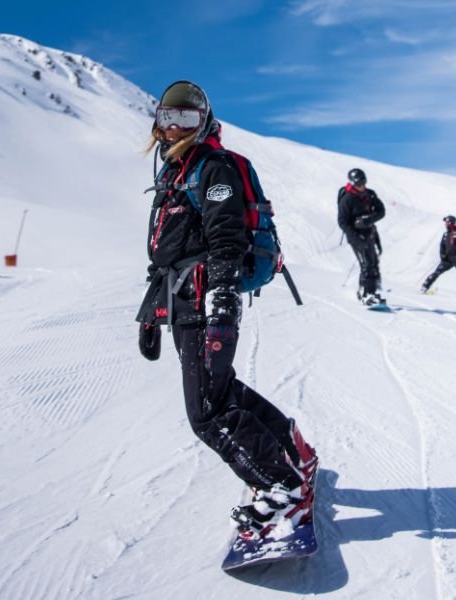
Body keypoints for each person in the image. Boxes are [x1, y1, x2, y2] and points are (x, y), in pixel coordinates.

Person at [135, 80, 317, 540]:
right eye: (168, 118)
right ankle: (292, 449)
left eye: (186, 119)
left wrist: (220, 305)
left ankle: (283, 487)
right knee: (221, 390)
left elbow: (226, 241)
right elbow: (167, 254)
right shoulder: (176, 170)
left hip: (205, 301)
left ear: (203, 122)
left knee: (206, 411)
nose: (175, 128)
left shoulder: (212, 168)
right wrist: (151, 314)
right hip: (182, 300)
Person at [337, 168, 386, 306]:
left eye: (364, 182)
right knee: (366, 264)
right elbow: (342, 222)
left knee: (373, 263)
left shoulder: (370, 195)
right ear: (352, 183)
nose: (362, 185)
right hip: (356, 236)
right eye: (359, 183)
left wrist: (368, 220)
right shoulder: (347, 199)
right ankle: (367, 295)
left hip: (369, 234)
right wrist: (355, 238)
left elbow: (381, 211)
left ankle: (367, 291)